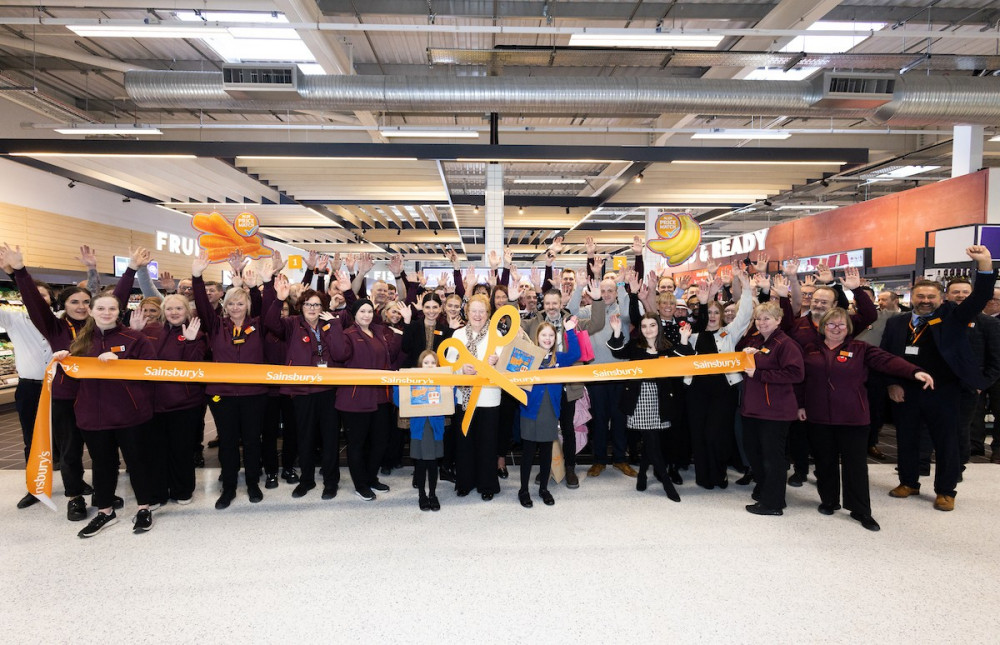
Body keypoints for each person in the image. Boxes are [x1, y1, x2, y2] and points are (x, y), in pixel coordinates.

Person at [4, 242, 137, 520]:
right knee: (70, 451)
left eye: (87, 302)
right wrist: (20, 271)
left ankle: (104, 492)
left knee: (103, 451)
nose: (82, 307)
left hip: (98, 397)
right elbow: (33, 301)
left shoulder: (99, 324)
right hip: (66, 399)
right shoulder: (54, 326)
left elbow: (118, 300)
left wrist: (131, 271)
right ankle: (74, 497)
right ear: (62, 306)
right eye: (75, 302)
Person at [880, 245, 997, 512]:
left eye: (931, 296)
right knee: (907, 438)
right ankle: (908, 482)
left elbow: (979, 297)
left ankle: (946, 491)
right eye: (920, 296)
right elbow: (886, 356)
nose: (925, 300)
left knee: (947, 442)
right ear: (911, 297)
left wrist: (986, 265)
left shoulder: (953, 317)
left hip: (944, 391)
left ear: (941, 298)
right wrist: (892, 383)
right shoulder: (897, 323)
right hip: (906, 391)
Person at [798, 308, 933, 532]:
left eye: (841, 325)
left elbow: (888, 361)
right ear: (823, 327)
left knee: (856, 466)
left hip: (853, 418)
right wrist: (801, 405)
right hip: (818, 417)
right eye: (831, 324)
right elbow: (802, 381)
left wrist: (914, 372)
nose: (836, 328)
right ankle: (829, 501)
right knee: (825, 463)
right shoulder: (809, 350)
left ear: (848, 328)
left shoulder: (861, 348)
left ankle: (860, 510)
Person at [53, 291, 157, 537]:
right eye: (101, 308)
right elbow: (70, 384)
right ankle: (105, 511)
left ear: (119, 312)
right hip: (92, 416)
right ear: (91, 311)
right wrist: (63, 363)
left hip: (129, 415)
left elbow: (150, 371)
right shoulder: (80, 341)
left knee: (137, 462)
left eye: (112, 309)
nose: (106, 313)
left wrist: (120, 362)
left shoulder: (135, 338)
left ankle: (144, 508)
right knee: (102, 465)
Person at [192, 250, 275, 510]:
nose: (235, 307)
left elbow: (268, 305)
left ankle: (252, 483)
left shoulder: (258, 325)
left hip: (254, 394)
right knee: (227, 442)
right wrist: (197, 276)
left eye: (240, 303)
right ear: (225, 306)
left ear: (247, 306)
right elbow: (203, 305)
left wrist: (267, 283)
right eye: (231, 304)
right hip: (221, 395)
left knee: (252, 440)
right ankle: (228, 487)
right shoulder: (216, 326)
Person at [265, 277, 341, 500]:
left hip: (327, 391)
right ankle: (306, 480)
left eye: (317, 305)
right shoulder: (291, 324)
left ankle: (330, 481)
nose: (312, 308)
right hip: (301, 391)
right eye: (308, 304)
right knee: (304, 438)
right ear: (301, 306)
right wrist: (279, 300)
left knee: (329, 438)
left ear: (322, 307)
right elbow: (271, 323)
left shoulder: (329, 323)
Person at [682, 269, 754, 489]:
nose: (712, 316)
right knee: (699, 435)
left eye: (716, 312)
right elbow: (699, 322)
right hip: (696, 391)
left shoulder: (729, 333)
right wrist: (706, 301)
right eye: (709, 312)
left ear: (722, 315)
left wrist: (747, 288)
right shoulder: (692, 334)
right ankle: (704, 477)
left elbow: (744, 315)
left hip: (723, 391)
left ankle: (719, 472)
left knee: (716, 434)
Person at [135, 293, 207, 506]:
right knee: (155, 451)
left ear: (187, 311)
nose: (174, 313)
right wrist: (135, 333)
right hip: (153, 404)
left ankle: (182, 490)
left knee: (181, 450)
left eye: (179, 309)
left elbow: (197, 367)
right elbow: (133, 358)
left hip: (184, 403)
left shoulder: (196, 334)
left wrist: (192, 342)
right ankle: (157, 492)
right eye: (169, 309)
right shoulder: (149, 331)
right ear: (163, 311)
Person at [326, 298, 401, 501]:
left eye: (369, 311)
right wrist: (334, 324)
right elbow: (339, 354)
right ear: (355, 315)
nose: (366, 315)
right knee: (357, 443)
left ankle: (370, 477)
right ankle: (360, 484)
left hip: (380, 398)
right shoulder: (348, 334)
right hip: (355, 398)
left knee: (379, 441)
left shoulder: (378, 332)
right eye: (362, 312)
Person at [607, 312, 687, 502]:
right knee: (651, 439)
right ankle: (667, 483)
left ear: (659, 327)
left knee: (652, 440)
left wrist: (684, 340)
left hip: (661, 399)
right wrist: (617, 332)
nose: (648, 329)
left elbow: (686, 359)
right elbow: (617, 352)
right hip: (639, 397)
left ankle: (643, 473)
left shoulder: (666, 347)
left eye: (652, 325)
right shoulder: (636, 346)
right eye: (644, 326)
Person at [740, 301, 805, 517]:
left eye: (767, 318)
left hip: (775, 412)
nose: (762, 322)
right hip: (752, 409)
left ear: (778, 320)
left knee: (773, 458)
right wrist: (744, 357)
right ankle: (764, 488)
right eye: (759, 318)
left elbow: (796, 374)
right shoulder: (756, 340)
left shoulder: (786, 344)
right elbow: (746, 369)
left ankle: (774, 503)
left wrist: (758, 374)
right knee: (754, 452)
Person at [0, 264, 54, 510]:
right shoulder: (12, 319)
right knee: (31, 437)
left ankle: (73, 481)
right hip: (30, 388)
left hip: (60, 387)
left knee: (67, 435)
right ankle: (34, 486)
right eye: (34, 294)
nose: (39, 299)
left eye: (43, 295)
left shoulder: (61, 320)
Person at [518, 317, 581, 508]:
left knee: (546, 452)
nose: (547, 338)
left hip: (550, 411)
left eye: (551, 335)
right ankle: (523, 490)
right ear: (537, 337)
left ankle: (544, 488)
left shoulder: (560, 358)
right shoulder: (528, 357)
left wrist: (570, 330)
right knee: (528, 453)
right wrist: (519, 341)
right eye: (543, 335)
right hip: (529, 410)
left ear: (555, 338)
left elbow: (576, 353)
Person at [446, 294, 503, 501]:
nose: (477, 315)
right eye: (473, 311)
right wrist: (462, 369)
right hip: (465, 397)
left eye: (482, 311)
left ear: (488, 314)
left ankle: (487, 484)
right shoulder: (458, 335)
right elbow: (448, 364)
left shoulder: (497, 335)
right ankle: (465, 482)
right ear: (467, 313)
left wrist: (497, 361)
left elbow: (507, 368)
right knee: (465, 442)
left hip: (489, 398)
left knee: (487, 443)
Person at [393, 350, 448, 511]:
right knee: (421, 464)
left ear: (437, 365)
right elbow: (398, 401)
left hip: (435, 427)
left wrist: (450, 387)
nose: (429, 366)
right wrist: (398, 384)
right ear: (420, 365)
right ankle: (422, 495)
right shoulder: (413, 380)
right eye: (426, 362)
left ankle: (433, 494)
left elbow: (451, 402)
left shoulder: (443, 380)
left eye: (433, 363)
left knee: (433, 463)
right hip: (419, 428)